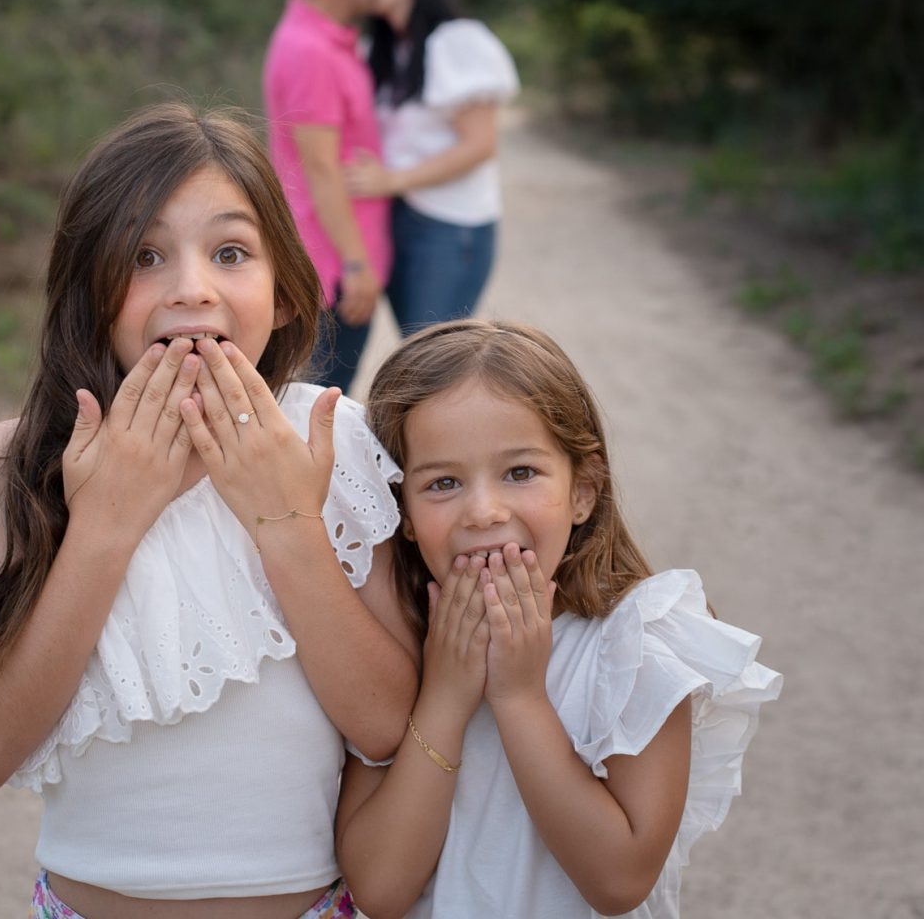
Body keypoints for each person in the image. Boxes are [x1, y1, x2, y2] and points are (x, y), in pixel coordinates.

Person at [0, 103, 418, 918]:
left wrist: (285, 522)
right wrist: (106, 525)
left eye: (231, 252)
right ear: (89, 291)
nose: (191, 288)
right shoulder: (9, 462)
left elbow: (386, 729)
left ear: (287, 293)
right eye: (145, 255)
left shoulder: (338, 443)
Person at [335, 319, 783, 918]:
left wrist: (520, 696)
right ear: (405, 515)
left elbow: (620, 880)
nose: (484, 512)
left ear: (584, 491)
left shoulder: (639, 639)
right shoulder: (398, 647)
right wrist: (443, 696)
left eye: (520, 472)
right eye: (442, 482)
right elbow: (379, 889)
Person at [344, 0, 519, 334]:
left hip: (449, 226)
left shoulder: (458, 41)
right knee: (412, 350)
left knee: (430, 356)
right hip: (397, 217)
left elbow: (480, 146)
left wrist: (392, 180)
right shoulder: (381, 51)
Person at [263, 0, 389, 393]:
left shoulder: (327, 42)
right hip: (330, 270)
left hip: (340, 261)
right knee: (318, 405)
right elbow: (320, 167)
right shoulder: (310, 50)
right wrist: (355, 265)